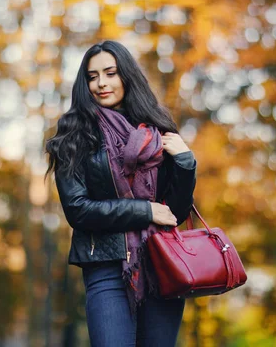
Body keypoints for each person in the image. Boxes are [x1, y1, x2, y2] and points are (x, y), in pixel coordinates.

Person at [45, 40, 197, 346]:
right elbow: (79, 210)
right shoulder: (72, 136)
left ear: (127, 76)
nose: (101, 83)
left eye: (110, 73)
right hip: (105, 265)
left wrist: (186, 164)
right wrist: (144, 210)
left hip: (162, 265)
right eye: (92, 76)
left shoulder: (158, 130)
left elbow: (175, 214)